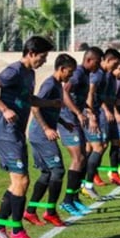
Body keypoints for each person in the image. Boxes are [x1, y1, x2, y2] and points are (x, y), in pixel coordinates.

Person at [0, 36, 54, 238]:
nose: (44, 61)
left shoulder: (30, 74)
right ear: (31, 53)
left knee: (17, 184)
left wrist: (49, 102)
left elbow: (28, 99)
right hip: (6, 134)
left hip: (16, 134)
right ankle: (17, 230)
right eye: (42, 56)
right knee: (22, 182)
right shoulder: (14, 70)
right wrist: (4, 109)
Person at [24, 54, 77, 226]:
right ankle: (50, 212)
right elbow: (35, 107)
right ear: (61, 69)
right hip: (41, 134)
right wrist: (47, 128)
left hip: (38, 133)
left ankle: (30, 211)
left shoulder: (58, 85)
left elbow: (51, 108)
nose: (71, 75)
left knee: (47, 173)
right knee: (58, 171)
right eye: (69, 72)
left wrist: (63, 122)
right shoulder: (49, 84)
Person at [57, 47, 102, 216]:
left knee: (83, 157)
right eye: (97, 63)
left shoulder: (86, 74)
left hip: (76, 119)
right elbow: (64, 92)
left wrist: (89, 112)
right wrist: (77, 112)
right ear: (89, 60)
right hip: (68, 119)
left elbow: (81, 99)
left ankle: (74, 198)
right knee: (78, 158)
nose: (98, 66)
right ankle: (67, 201)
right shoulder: (77, 74)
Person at [82, 48, 120, 199]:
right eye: (115, 63)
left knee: (98, 147)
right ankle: (86, 183)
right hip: (93, 114)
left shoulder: (105, 74)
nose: (116, 67)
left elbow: (100, 96)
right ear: (107, 60)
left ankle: (86, 181)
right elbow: (90, 92)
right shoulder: (98, 74)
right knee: (97, 147)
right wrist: (91, 114)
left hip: (97, 113)